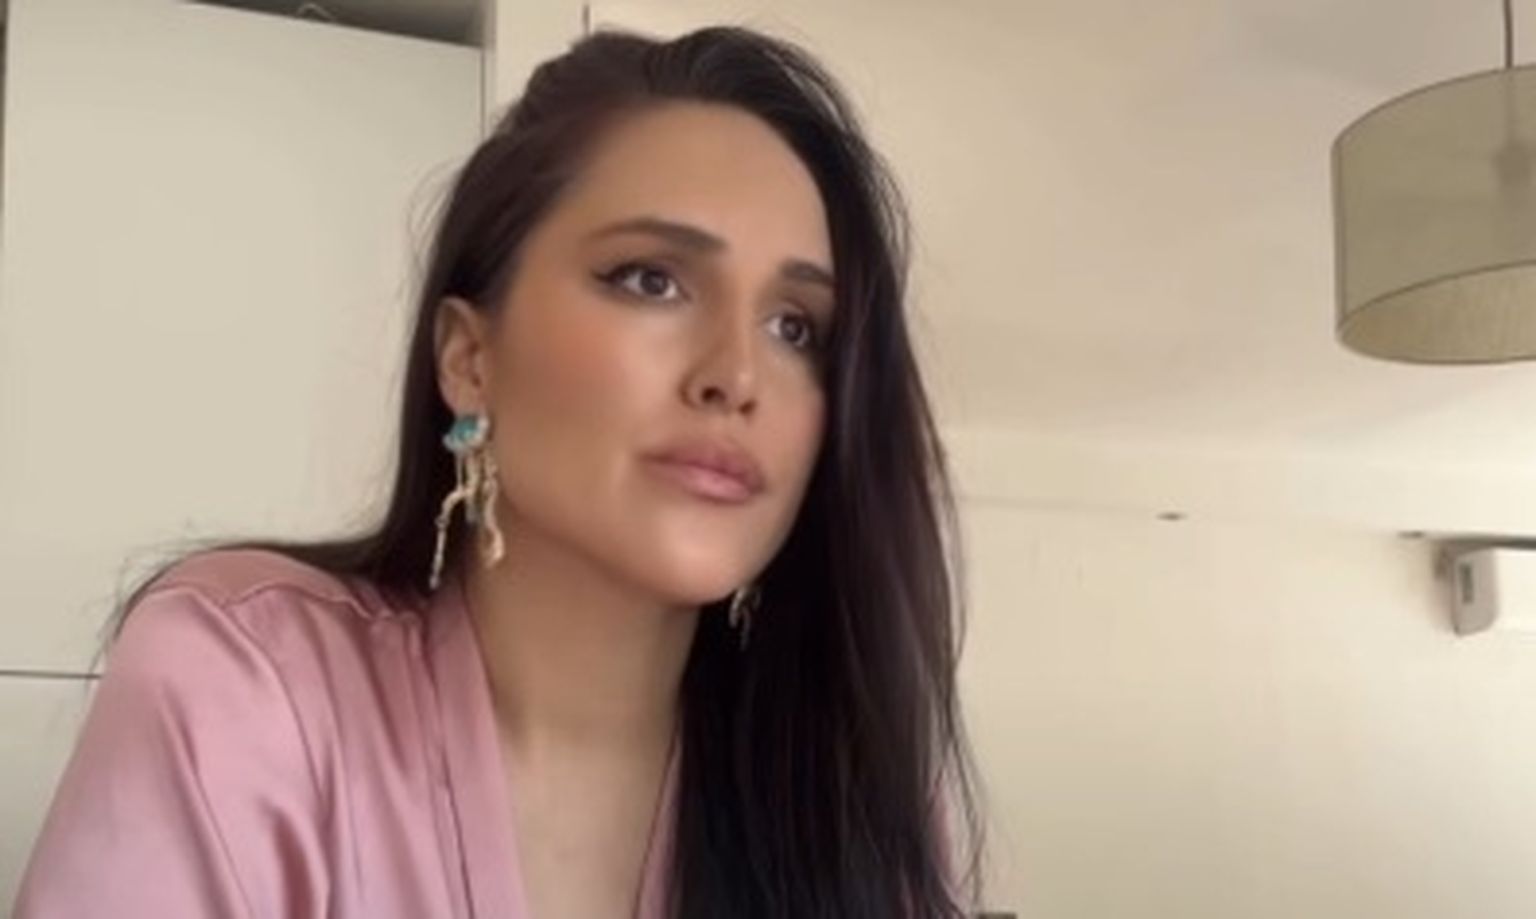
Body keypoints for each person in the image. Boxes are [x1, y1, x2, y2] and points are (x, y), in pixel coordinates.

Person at [15, 25, 984, 919]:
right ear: (469, 358)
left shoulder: (858, 799)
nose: (737, 375)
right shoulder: (248, 681)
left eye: (796, 327)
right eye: (651, 279)